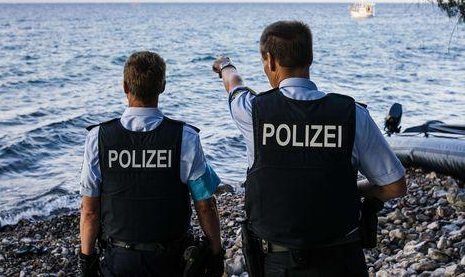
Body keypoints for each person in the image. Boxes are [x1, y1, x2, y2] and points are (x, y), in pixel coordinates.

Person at [212, 21, 407, 276]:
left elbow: (234, 84)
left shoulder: (252, 112)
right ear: (310, 58)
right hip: (342, 261)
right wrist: (348, 190)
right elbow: (395, 186)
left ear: (270, 61)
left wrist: (225, 65)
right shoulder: (352, 115)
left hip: (280, 265)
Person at [80, 51, 224, 277]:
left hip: (118, 260)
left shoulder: (98, 138)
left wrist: (86, 259)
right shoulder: (184, 137)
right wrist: (216, 251)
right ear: (163, 86)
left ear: (125, 86)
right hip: (170, 260)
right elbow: (205, 205)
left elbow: (90, 211)